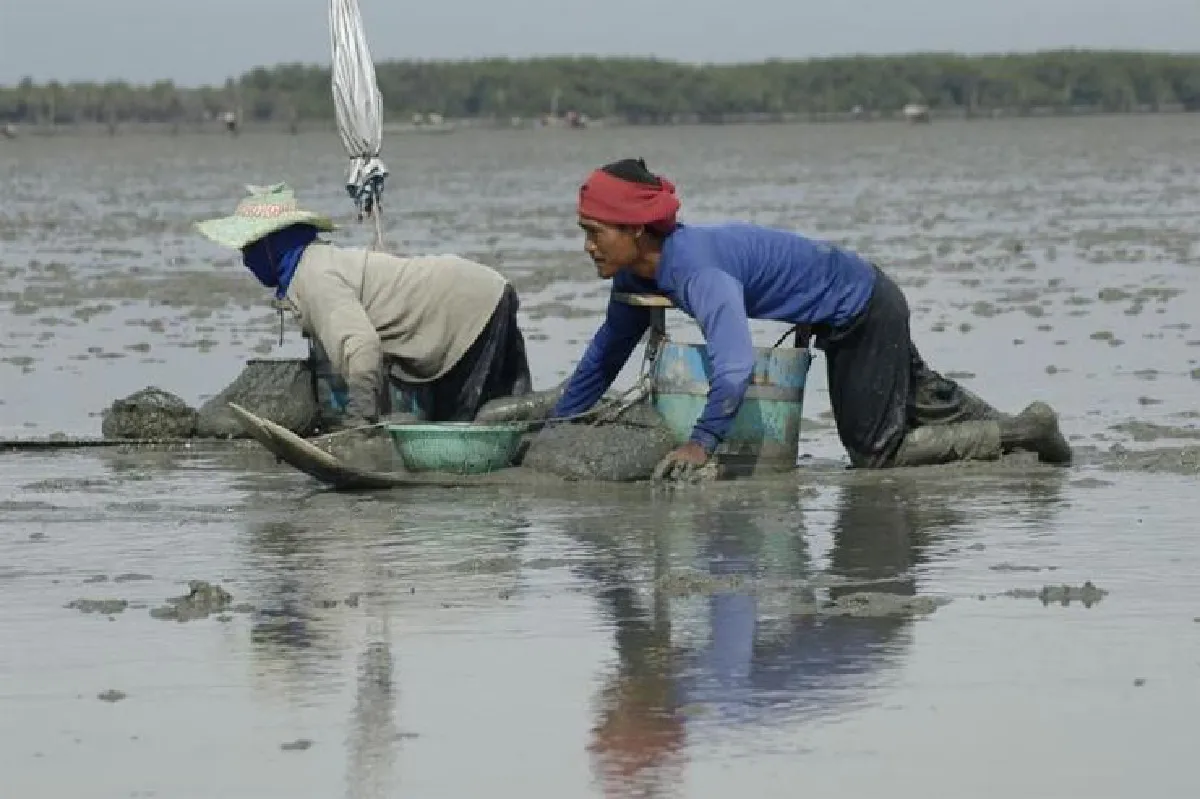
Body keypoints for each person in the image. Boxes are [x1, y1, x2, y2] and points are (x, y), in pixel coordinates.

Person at [550, 158, 1072, 480]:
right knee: (917, 396)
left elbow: (735, 366)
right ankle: (1024, 433)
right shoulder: (635, 275)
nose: (588, 245)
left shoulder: (698, 271)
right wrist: (559, 426)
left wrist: (701, 442)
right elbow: (605, 355)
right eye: (584, 231)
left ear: (637, 230)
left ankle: (1025, 430)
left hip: (861, 308)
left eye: (596, 232)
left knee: (877, 454)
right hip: (860, 291)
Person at [196, 183, 532, 428]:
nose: (245, 260)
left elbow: (362, 347)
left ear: (272, 246)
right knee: (503, 411)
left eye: (249, 249)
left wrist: (359, 419)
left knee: (468, 426)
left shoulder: (315, 278)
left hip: (468, 306)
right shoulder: (314, 264)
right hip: (475, 290)